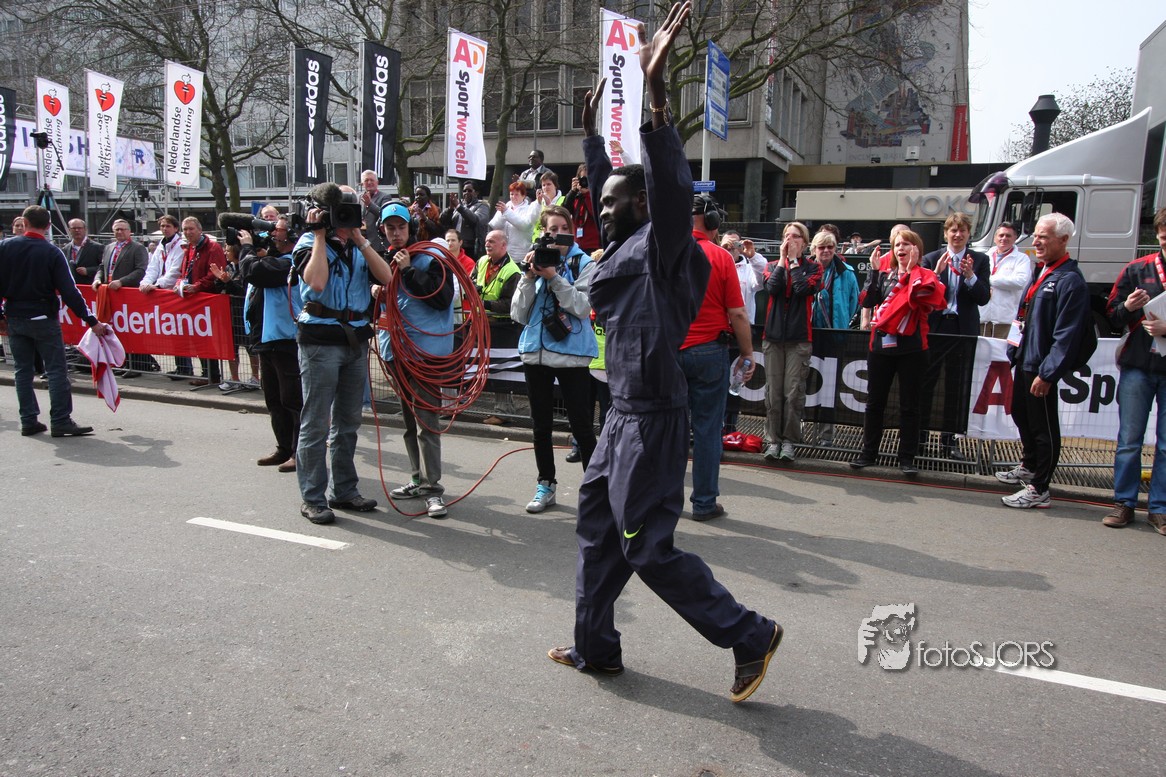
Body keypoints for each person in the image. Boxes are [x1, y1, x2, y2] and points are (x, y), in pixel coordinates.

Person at [547, 1, 782, 705]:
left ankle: (749, 633)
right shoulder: (622, 243)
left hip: (653, 419)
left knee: (646, 546)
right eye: (600, 202)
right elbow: (610, 188)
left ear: (645, 207)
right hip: (619, 417)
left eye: (614, 202)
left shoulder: (668, 249)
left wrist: (655, 101)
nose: (601, 209)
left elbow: (669, 188)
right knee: (597, 533)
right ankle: (596, 647)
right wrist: (592, 135)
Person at [293, 186, 396, 525]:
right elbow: (317, 283)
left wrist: (360, 239)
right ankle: (313, 498)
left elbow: (387, 276)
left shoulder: (358, 247)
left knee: (349, 421)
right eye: (340, 211)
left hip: (355, 339)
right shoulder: (308, 244)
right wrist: (320, 236)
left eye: (351, 211)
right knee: (316, 423)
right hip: (320, 341)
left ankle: (345, 490)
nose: (346, 217)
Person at [995, 213, 1091, 509]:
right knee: (1020, 413)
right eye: (1035, 235)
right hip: (1026, 358)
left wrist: (1048, 373)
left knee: (1043, 426)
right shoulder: (1042, 271)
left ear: (1063, 240)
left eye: (1043, 237)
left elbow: (1067, 335)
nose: (1036, 242)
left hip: (1041, 365)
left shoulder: (1070, 280)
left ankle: (1040, 488)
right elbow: (1023, 316)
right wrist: (1014, 352)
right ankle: (1029, 465)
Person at [510, 205, 598, 513]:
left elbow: (583, 307)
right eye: (550, 229)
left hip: (573, 356)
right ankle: (545, 484)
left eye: (562, 229)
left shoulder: (584, 262)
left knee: (582, 426)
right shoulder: (534, 260)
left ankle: (596, 492)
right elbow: (518, 313)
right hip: (535, 354)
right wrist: (528, 276)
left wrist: (555, 277)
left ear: (571, 231)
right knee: (541, 426)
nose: (556, 235)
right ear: (543, 232)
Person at [0, 206, 111, 437]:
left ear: (24, 223)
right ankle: (60, 420)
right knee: (56, 370)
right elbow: (70, 292)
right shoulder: (52, 252)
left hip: (15, 316)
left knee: (22, 371)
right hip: (43, 316)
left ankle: (28, 419)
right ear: (49, 226)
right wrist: (91, 320)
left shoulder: (5, 247)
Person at [378, 203, 456, 519]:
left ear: (410, 228)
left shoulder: (432, 258)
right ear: (383, 230)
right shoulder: (383, 261)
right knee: (410, 423)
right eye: (390, 228)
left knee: (427, 423)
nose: (396, 233)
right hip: (397, 352)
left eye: (401, 227)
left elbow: (442, 299)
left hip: (425, 355)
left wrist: (409, 270)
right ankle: (417, 478)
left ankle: (432, 489)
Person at [679, 194, 755, 518]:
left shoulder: (665, 253)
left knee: (670, 429)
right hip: (710, 352)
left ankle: (666, 502)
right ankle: (704, 503)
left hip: (671, 352)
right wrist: (747, 354)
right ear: (712, 223)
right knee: (708, 430)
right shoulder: (721, 257)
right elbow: (737, 313)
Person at [851, 229, 946, 474]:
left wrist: (912, 271)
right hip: (881, 348)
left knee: (910, 405)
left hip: (912, 349)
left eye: (906, 244)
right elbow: (867, 301)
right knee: (875, 403)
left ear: (917, 249)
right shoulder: (884, 275)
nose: (901, 248)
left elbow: (923, 300)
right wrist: (874, 271)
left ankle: (906, 458)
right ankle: (868, 453)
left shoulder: (925, 276)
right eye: (897, 245)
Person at [1104, 208, 1166, 534]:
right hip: (1138, 366)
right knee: (1130, 439)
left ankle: (1160, 508)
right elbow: (1112, 315)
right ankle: (1124, 503)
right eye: (1163, 235)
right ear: (1157, 235)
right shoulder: (1137, 269)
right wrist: (1128, 307)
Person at [920, 212, 990, 460]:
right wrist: (936, 274)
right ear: (946, 233)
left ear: (969, 234)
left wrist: (970, 276)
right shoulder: (931, 259)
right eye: (953, 230)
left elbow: (983, 298)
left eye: (962, 231)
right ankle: (920, 438)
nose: (957, 235)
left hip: (962, 331)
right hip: (935, 330)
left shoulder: (980, 260)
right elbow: (923, 295)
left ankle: (949, 441)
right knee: (926, 384)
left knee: (956, 387)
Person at [239, 216, 302, 474]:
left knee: (293, 400)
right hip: (267, 339)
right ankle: (283, 448)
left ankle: (299, 453)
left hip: (286, 339)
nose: (273, 233)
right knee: (274, 400)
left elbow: (254, 271)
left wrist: (247, 247)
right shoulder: (272, 260)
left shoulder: (292, 261)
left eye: (278, 230)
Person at [762, 221, 819, 462]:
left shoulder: (813, 267)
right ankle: (773, 440)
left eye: (795, 236)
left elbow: (802, 289)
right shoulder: (772, 265)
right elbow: (772, 288)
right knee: (773, 393)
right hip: (773, 338)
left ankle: (789, 441)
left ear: (804, 242)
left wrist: (794, 262)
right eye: (787, 236)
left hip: (799, 339)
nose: (790, 240)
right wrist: (783, 261)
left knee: (793, 393)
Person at [809, 229, 859, 445]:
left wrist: (841, 323)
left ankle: (826, 434)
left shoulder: (846, 272)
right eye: (822, 247)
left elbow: (854, 303)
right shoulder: (805, 269)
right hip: (808, 335)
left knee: (829, 387)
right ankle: (799, 429)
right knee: (804, 384)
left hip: (834, 336)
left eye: (830, 247)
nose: (826, 251)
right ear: (814, 250)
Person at [92, 218, 151, 377]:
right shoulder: (108, 247)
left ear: (129, 231)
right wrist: (97, 279)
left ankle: (137, 366)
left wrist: (122, 281)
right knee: (117, 331)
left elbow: (141, 270)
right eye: (117, 229)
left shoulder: (137, 248)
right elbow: (102, 267)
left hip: (128, 296)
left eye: (123, 229)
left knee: (132, 331)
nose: (120, 232)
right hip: (110, 295)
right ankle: (122, 362)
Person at [178, 217, 227, 387]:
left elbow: (215, 273)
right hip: (193, 300)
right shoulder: (189, 248)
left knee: (207, 338)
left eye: (191, 229)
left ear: (200, 229)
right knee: (198, 337)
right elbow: (184, 272)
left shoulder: (213, 247)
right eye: (185, 229)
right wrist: (180, 284)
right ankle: (206, 373)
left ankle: (212, 374)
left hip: (207, 299)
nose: (188, 232)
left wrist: (197, 286)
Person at [979, 222, 1032, 338]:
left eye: (1008, 236)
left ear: (1015, 238)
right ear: (995, 238)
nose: (1004, 238)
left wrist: (989, 280)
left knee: (1002, 350)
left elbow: (1020, 282)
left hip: (1005, 321)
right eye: (1001, 235)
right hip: (982, 319)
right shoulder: (984, 257)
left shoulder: (1022, 259)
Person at [440, 180, 491, 259]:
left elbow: (475, 220)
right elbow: (442, 221)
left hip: (470, 247)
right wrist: (450, 209)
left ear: (476, 193)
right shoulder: (457, 205)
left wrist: (459, 207)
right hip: (454, 245)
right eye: (464, 191)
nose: (466, 193)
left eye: (469, 191)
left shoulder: (482, 206)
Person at [489, 181, 538, 262]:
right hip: (503, 252)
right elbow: (495, 226)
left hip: (521, 253)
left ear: (523, 196)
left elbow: (524, 226)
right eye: (511, 194)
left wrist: (507, 212)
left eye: (517, 194)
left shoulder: (529, 209)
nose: (513, 197)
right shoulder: (506, 206)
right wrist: (503, 214)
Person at [562, 163, 600, 253]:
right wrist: (572, 192)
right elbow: (564, 212)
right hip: (577, 246)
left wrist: (587, 194)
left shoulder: (598, 195)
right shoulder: (576, 196)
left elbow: (596, 213)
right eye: (583, 179)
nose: (586, 182)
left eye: (588, 178)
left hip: (594, 246)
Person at [359, 170, 392, 254]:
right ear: (362, 184)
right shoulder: (359, 198)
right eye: (366, 180)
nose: (369, 182)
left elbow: (384, 214)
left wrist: (369, 204)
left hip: (379, 244)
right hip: (362, 243)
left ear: (377, 182)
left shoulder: (385, 197)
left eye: (372, 180)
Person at [65, 219, 103, 284]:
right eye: (74, 228)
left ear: (85, 229)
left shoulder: (98, 247)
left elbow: (104, 268)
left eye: (79, 228)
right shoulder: (66, 248)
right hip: (72, 286)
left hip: (90, 286)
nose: (77, 230)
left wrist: (88, 271)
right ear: (69, 230)